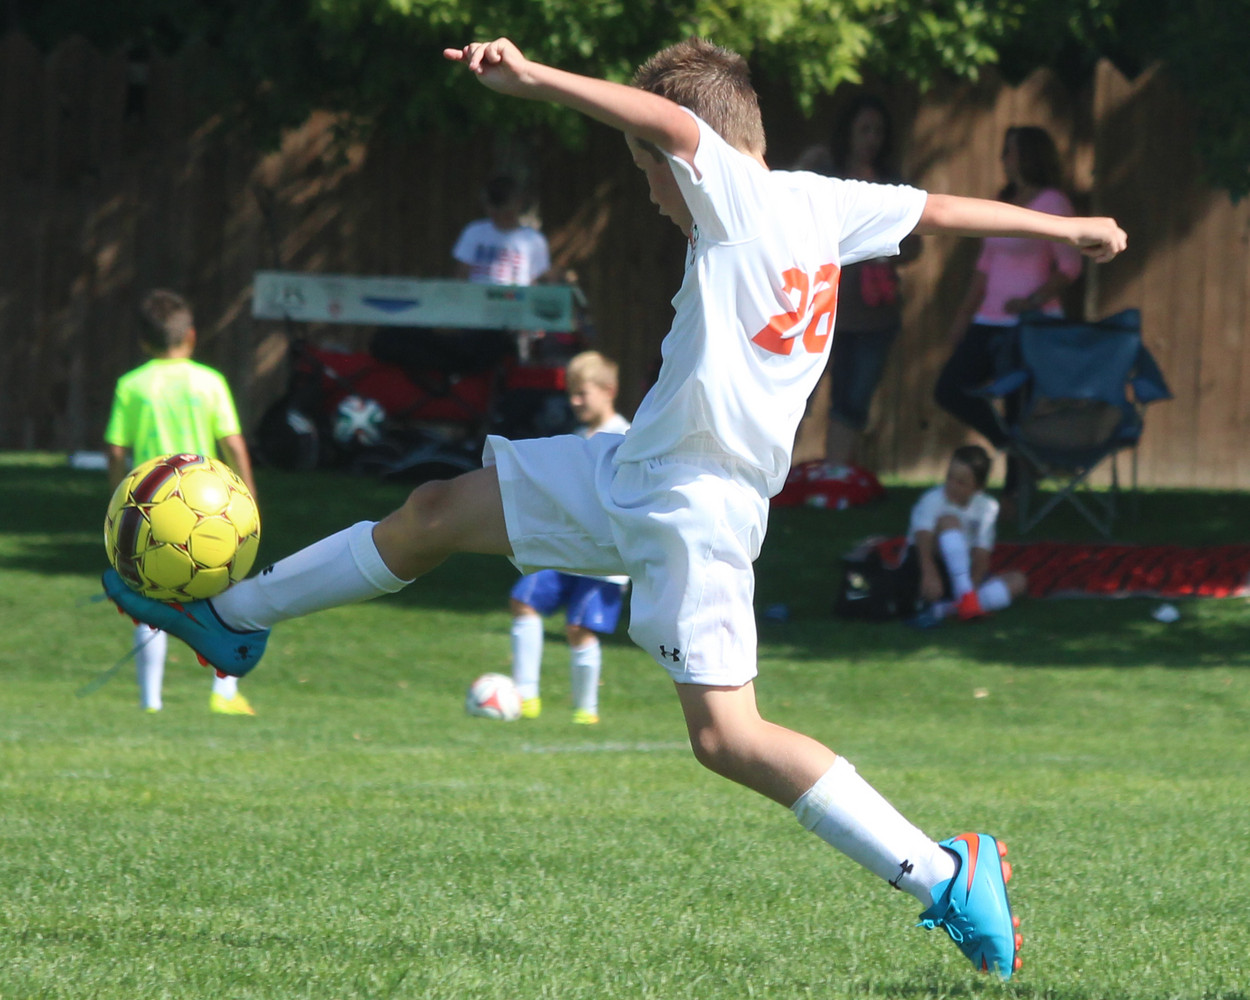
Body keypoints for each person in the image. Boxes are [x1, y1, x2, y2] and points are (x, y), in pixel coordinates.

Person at [103, 36, 1128, 980]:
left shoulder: (734, 189)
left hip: (696, 504)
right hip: (634, 469)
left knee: (727, 738)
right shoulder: (817, 200)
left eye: (647, 172)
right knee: (435, 510)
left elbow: (674, 126)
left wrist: (536, 79)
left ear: (692, 158)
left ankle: (947, 875)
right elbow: (936, 210)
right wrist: (1067, 226)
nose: (649, 191)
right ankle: (233, 621)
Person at [104, 289, 259, 716]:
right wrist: (248, 496)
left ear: (143, 340)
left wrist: (118, 502)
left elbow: (115, 450)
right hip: (210, 512)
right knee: (229, 600)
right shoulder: (209, 382)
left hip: (151, 513)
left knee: (151, 603)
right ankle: (224, 693)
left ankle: (150, 702)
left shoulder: (133, 385)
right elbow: (233, 443)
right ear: (190, 335)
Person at [935, 126, 1084, 504]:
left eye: (1011, 151)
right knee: (949, 388)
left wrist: (1033, 300)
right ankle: (1012, 447)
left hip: (1029, 326)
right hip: (988, 320)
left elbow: (1069, 266)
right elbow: (983, 268)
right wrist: (961, 319)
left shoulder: (1053, 202)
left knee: (1018, 405)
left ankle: (1016, 496)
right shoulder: (1003, 201)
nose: (1004, 159)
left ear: (1030, 155)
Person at [509, 351, 631, 724]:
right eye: (571, 394)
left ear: (608, 390)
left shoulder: (626, 438)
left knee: (579, 629)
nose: (575, 402)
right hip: (564, 549)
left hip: (605, 559)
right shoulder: (577, 439)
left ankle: (585, 710)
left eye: (582, 393)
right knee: (523, 600)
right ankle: (524, 695)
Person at [820, 94, 921, 476]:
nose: (871, 139)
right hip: (822, 308)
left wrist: (883, 253)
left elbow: (915, 245)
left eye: (878, 131)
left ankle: (835, 477)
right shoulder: (826, 179)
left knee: (853, 398)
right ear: (848, 133)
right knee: (798, 395)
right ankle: (777, 482)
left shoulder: (892, 185)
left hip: (874, 314)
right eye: (864, 130)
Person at [901, 445, 1028, 628]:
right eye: (950, 477)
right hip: (928, 566)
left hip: (962, 573)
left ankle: (951, 607)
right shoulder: (932, 500)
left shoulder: (987, 507)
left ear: (978, 487)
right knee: (949, 521)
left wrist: (974, 585)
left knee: (1018, 581)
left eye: (961, 482)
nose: (952, 486)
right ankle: (965, 600)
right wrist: (929, 573)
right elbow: (922, 538)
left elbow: (981, 554)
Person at [452, 173, 553, 286]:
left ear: (519, 203)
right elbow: (461, 275)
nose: (500, 218)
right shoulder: (473, 232)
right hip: (477, 295)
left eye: (506, 213)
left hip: (516, 296)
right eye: (495, 213)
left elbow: (535, 281)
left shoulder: (534, 240)